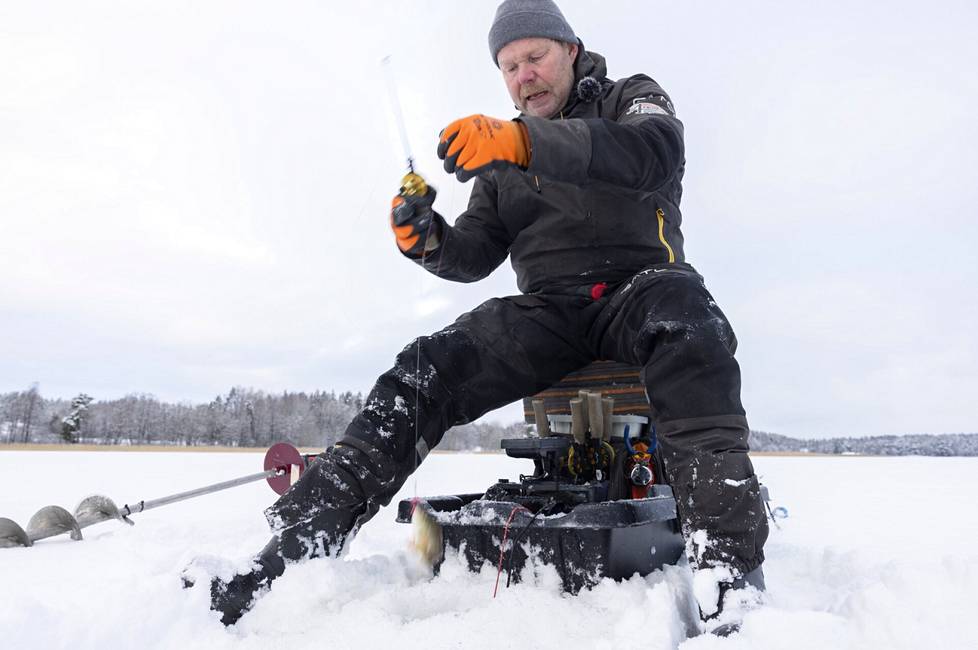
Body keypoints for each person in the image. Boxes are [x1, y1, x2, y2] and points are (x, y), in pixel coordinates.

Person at [206, 0, 768, 635]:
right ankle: (293, 549)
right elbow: (474, 253)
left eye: (535, 57)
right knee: (427, 366)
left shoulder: (630, 99)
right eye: (509, 66)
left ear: (571, 50)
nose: (523, 76)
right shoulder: (502, 160)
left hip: (643, 283)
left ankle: (731, 578)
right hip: (550, 310)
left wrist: (526, 143)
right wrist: (428, 240)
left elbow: (654, 154)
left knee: (692, 328)